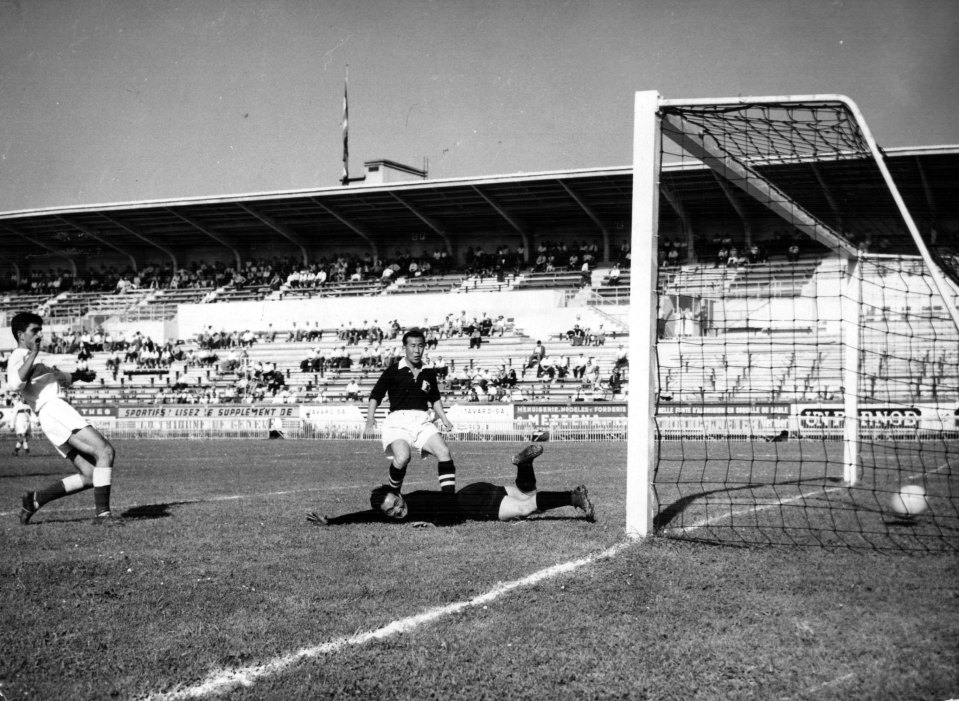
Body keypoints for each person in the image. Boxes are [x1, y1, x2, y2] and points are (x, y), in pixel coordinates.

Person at [7, 312, 118, 524]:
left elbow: (59, 378)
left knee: (91, 474)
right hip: (54, 409)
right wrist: (34, 352)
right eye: (34, 330)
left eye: (40, 330)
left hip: (52, 415)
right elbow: (14, 384)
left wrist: (80, 376)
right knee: (105, 451)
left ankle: (35, 500)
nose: (39, 334)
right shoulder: (19, 356)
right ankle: (103, 515)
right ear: (21, 335)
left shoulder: (34, 361)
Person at [307, 444, 594, 526]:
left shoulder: (417, 500)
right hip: (474, 490)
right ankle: (523, 464)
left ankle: (574, 498)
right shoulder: (387, 512)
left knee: (522, 508)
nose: (398, 510)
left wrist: (432, 523)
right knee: (527, 491)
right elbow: (366, 515)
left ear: (399, 494)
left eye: (396, 502)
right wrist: (332, 521)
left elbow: (448, 516)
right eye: (392, 511)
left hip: (473, 503)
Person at [364, 328, 457, 493]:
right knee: (402, 457)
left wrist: (444, 418)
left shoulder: (428, 372)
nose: (417, 350)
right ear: (404, 348)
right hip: (398, 422)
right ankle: (394, 493)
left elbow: (434, 398)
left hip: (422, 421)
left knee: (444, 451)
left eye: (420, 346)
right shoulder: (393, 370)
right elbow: (375, 395)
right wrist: (370, 420)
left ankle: (449, 504)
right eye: (413, 346)